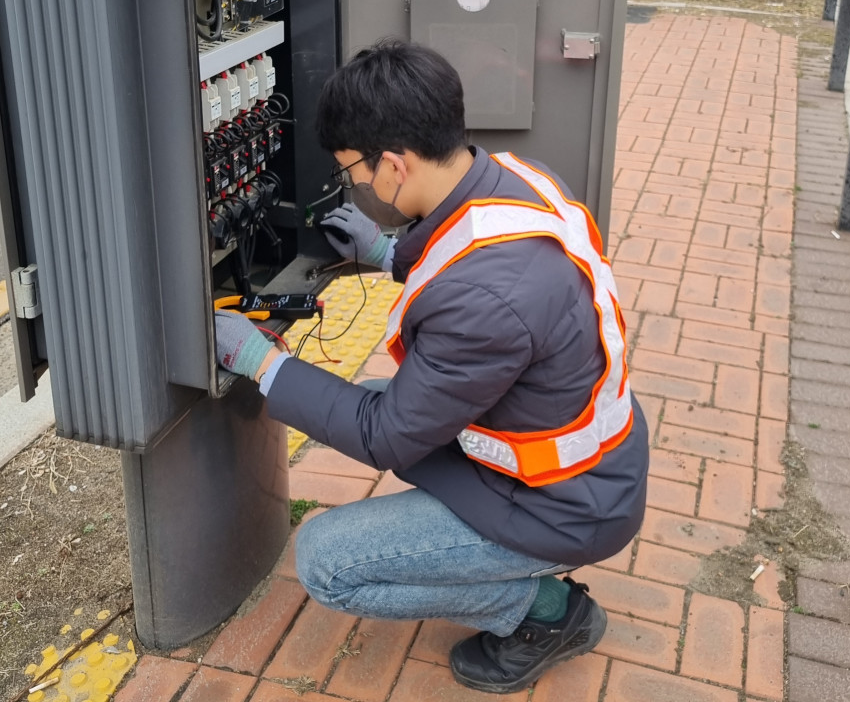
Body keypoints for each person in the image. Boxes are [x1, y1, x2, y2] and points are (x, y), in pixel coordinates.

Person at [214, 39, 648, 694]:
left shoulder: (486, 300)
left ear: (393, 163)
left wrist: (261, 361)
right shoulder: (516, 176)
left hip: (565, 506)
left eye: (353, 172)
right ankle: (516, 583)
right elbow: (468, 256)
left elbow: (387, 433)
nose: (356, 186)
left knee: (327, 563)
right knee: (374, 397)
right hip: (581, 458)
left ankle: (545, 613)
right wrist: (388, 251)